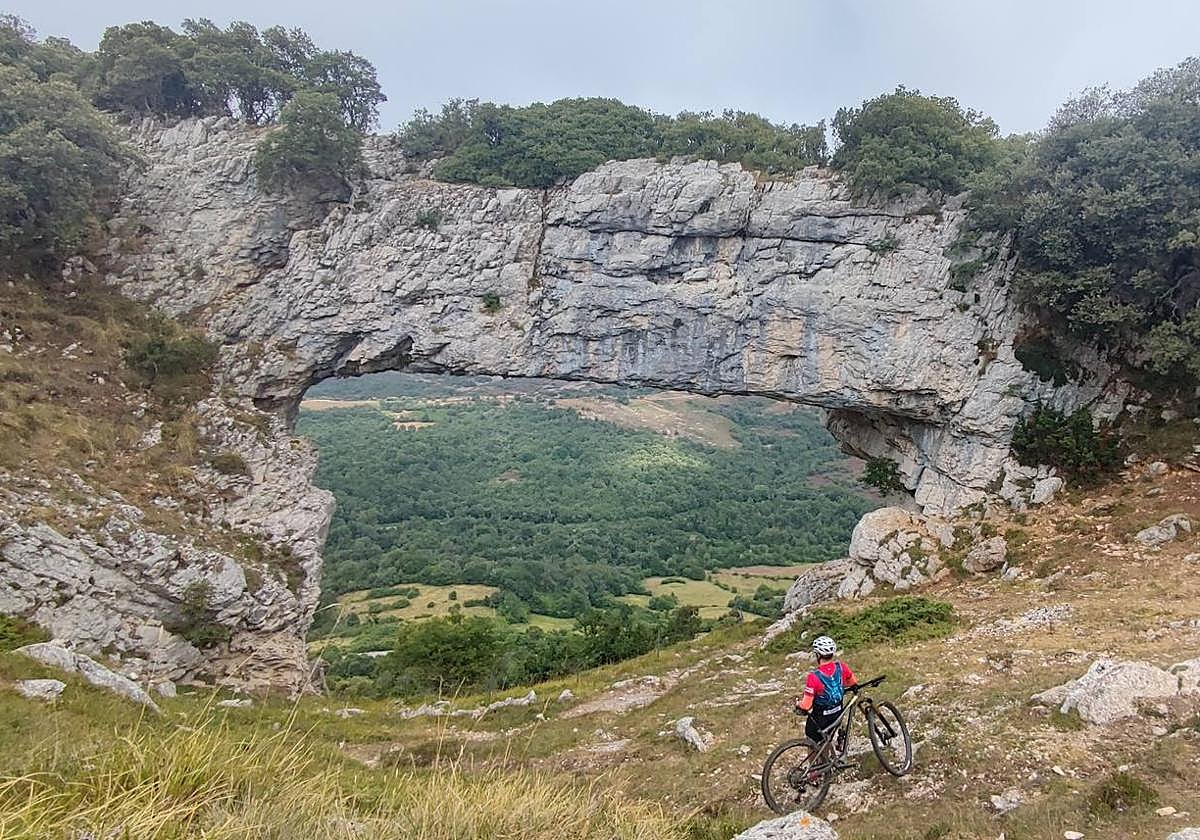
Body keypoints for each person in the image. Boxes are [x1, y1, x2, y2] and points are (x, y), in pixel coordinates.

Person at [793, 635, 857, 745]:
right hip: (837, 714)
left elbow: (807, 705)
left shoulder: (814, 677)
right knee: (827, 740)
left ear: (817, 655)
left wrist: (798, 704)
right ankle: (827, 758)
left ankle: (816, 761)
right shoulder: (841, 667)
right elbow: (853, 683)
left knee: (813, 743)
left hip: (820, 719)